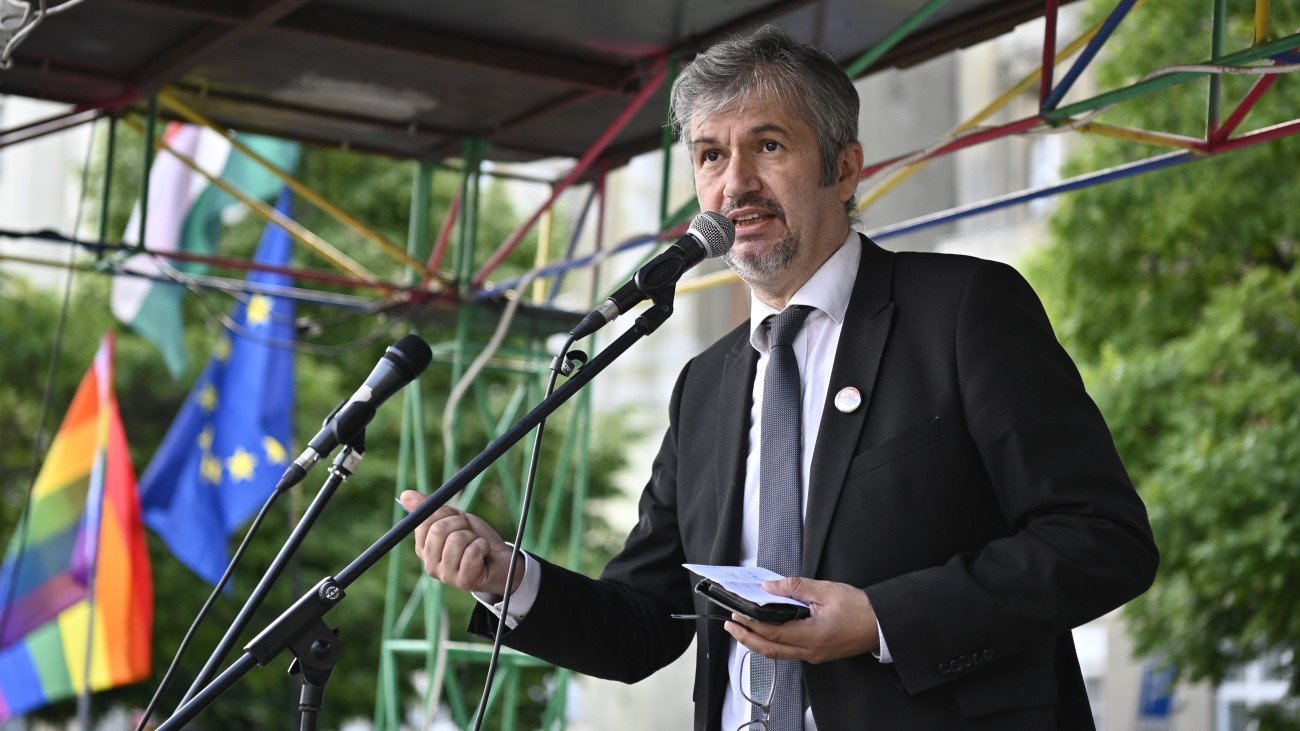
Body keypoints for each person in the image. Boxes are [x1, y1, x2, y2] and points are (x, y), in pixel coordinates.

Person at [401, 24, 1158, 730]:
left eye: (768, 145)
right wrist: (508, 578)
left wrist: (882, 620)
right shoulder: (704, 386)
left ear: (845, 167)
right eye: (710, 156)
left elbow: (1101, 539)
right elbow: (644, 623)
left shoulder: (961, 310)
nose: (736, 184)